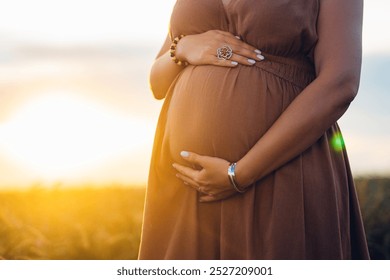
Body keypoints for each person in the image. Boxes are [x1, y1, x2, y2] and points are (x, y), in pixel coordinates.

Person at [138, 0, 370, 259]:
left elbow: (340, 83)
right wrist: (182, 47)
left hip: (280, 172)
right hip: (186, 186)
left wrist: (239, 174)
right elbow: (157, 83)